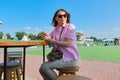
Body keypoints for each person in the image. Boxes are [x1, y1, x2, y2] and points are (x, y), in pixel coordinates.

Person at [39, 8, 80, 80]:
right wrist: (46, 36)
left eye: (65, 15)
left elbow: (68, 44)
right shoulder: (56, 29)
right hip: (59, 56)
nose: (63, 17)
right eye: (60, 16)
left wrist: (51, 41)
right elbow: (49, 38)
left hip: (70, 58)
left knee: (44, 67)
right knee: (41, 69)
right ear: (56, 18)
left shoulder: (70, 27)